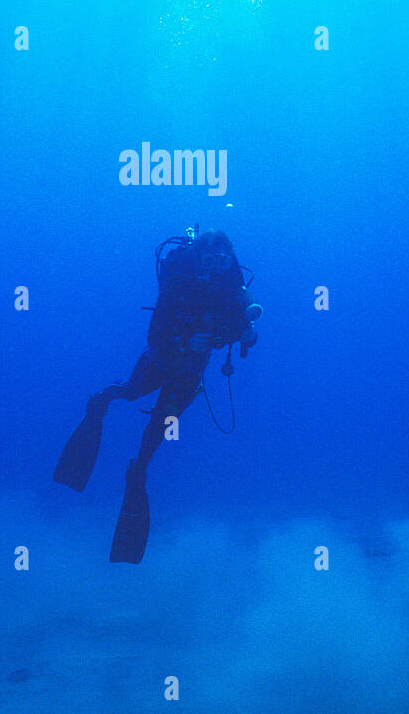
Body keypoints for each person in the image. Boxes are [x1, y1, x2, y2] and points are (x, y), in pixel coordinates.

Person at [54, 227, 261, 563]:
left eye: (223, 259)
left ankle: (138, 471)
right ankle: (102, 402)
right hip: (160, 360)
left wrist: (246, 334)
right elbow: (155, 333)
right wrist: (182, 342)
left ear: (230, 259)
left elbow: (240, 328)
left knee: (155, 435)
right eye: (210, 258)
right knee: (132, 392)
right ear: (198, 257)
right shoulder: (179, 278)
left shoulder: (230, 285)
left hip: (189, 374)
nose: (216, 266)